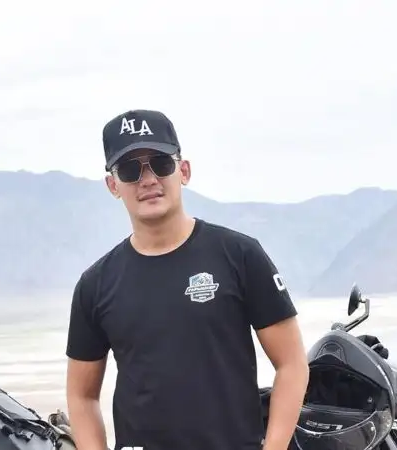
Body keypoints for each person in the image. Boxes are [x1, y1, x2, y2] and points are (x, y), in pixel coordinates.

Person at [64, 109, 310, 450]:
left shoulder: (239, 256)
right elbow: (81, 396)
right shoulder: (95, 285)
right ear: (113, 185)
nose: (148, 179)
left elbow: (292, 364)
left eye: (160, 163)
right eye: (130, 170)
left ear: (184, 171)